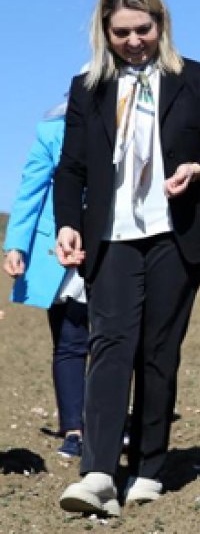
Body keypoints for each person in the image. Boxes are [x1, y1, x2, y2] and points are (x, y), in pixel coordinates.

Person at [54, 0, 200, 518]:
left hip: (177, 235)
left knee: (158, 352)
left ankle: (148, 468)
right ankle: (97, 473)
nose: (135, 40)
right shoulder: (86, 88)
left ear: (161, 25)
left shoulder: (196, 80)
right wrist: (68, 223)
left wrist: (199, 169)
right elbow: (70, 168)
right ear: (105, 32)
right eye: (122, 32)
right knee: (110, 344)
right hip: (111, 237)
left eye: (144, 29)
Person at [3, 100, 90, 459]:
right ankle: (75, 429)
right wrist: (16, 245)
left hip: (115, 251)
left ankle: (105, 424)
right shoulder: (52, 134)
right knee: (70, 341)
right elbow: (31, 192)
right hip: (59, 255)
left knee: (113, 343)